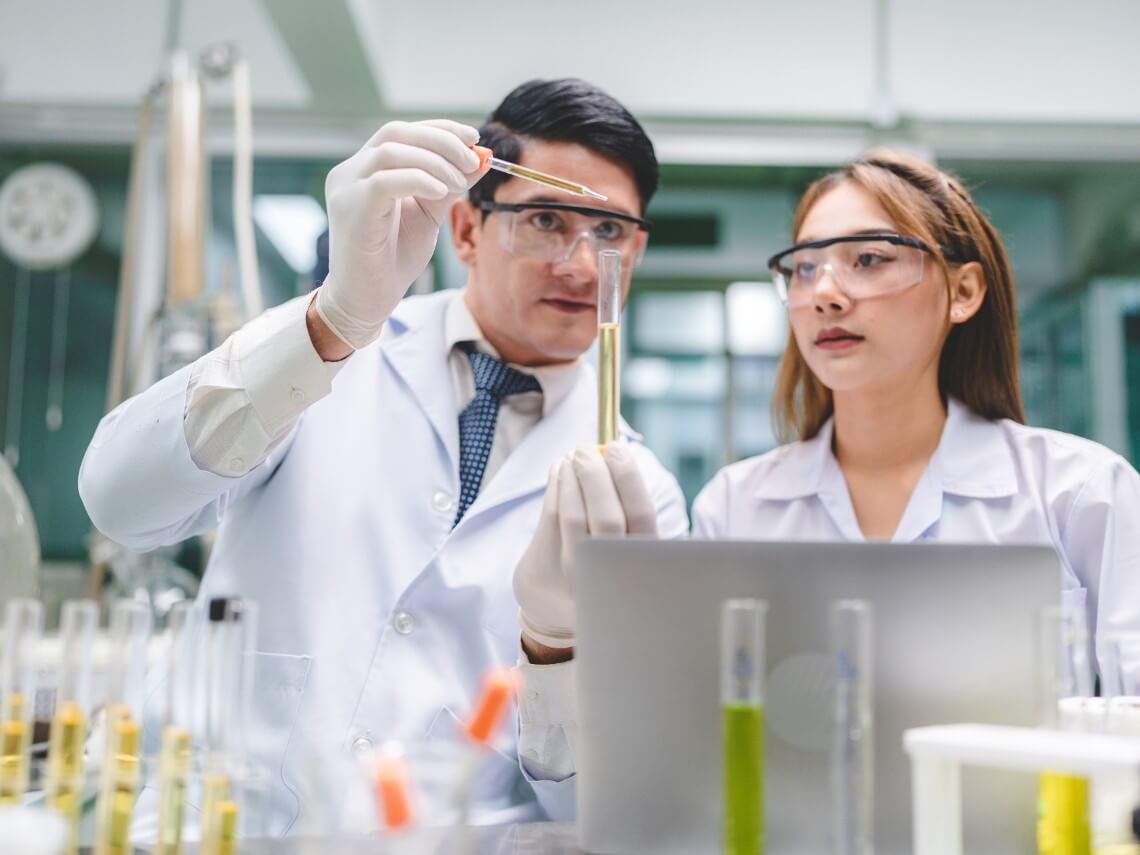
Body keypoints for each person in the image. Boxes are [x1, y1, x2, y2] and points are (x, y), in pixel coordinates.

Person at [78, 78, 687, 832]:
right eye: (546, 219)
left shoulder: (639, 486)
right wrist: (334, 318)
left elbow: (602, 807)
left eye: (609, 231)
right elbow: (118, 499)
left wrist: (556, 649)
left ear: (637, 248)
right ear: (466, 228)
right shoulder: (329, 349)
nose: (580, 264)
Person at [690, 150, 1140, 678]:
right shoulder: (735, 509)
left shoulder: (1080, 493)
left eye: (869, 259)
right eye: (806, 268)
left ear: (964, 291)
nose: (825, 295)